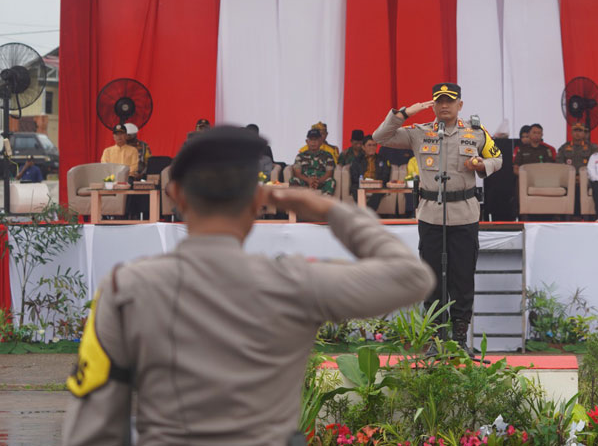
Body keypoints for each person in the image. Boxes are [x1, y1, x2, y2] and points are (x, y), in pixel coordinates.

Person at [61, 126, 433, 445]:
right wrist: (327, 209)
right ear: (258, 201)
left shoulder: (125, 289)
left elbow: (91, 431)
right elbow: (411, 277)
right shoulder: (295, 282)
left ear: (177, 195)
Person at [373, 82, 502, 348]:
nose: (444, 106)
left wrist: (481, 165)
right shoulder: (419, 133)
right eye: (439, 101)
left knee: (462, 278)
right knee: (431, 278)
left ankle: (458, 337)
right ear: (433, 105)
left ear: (460, 105)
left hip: (465, 214)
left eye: (450, 101)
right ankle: (435, 338)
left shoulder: (476, 133)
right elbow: (380, 137)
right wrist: (405, 113)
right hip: (431, 215)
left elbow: (497, 158)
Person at [350, 135, 392, 210]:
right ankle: (365, 212)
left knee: (380, 190)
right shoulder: (357, 160)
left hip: (377, 185)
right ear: (363, 147)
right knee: (354, 188)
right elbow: (354, 176)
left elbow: (386, 175)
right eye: (369, 145)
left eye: (374, 145)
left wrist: (376, 183)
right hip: (362, 183)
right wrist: (364, 182)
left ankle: (367, 212)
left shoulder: (382, 159)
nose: (372, 147)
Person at [289, 128, 336, 195]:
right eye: (311, 140)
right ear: (307, 141)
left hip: (321, 181)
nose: (313, 142)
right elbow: (297, 173)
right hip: (305, 181)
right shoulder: (300, 156)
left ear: (321, 141)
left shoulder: (327, 155)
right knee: (293, 180)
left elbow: (329, 173)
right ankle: (299, 202)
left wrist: (318, 181)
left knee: (331, 181)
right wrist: (308, 180)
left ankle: (323, 203)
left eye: (316, 140)